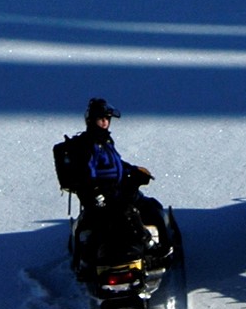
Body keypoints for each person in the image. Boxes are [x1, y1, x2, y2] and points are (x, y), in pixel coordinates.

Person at [57, 97, 167, 245]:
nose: (104, 122)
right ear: (91, 119)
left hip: (117, 191)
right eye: (100, 118)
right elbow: (87, 173)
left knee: (152, 207)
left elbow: (116, 163)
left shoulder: (105, 141)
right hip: (104, 196)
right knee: (128, 212)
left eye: (107, 118)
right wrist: (96, 191)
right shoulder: (87, 144)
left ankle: (163, 246)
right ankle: (147, 243)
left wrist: (135, 171)